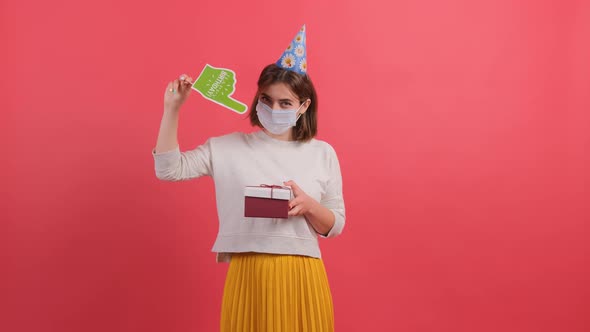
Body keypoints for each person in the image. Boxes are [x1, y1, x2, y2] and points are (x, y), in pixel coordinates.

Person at [152, 25, 345, 331]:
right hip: (249, 273)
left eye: (285, 103)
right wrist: (172, 109)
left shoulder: (323, 154)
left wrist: (308, 205)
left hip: (302, 274)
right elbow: (168, 168)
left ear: (304, 106)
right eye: (267, 100)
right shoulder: (228, 147)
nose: (273, 108)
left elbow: (335, 225)